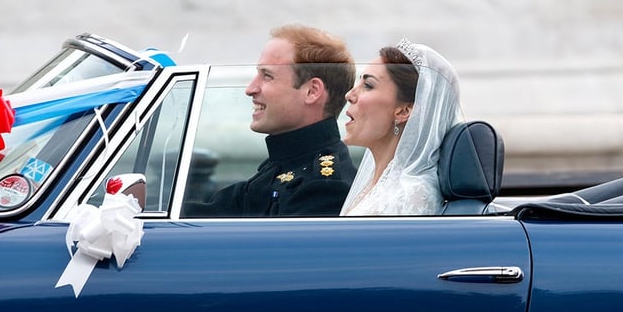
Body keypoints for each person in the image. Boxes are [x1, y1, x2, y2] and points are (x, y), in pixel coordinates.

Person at [183, 24, 357, 217]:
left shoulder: (324, 188)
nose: (250, 89)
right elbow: (211, 212)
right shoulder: (284, 163)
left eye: (267, 76)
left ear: (312, 91)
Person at [340, 39, 462, 216]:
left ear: (404, 111)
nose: (349, 95)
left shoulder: (411, 195)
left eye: (368, 85)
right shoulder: (377, 183)